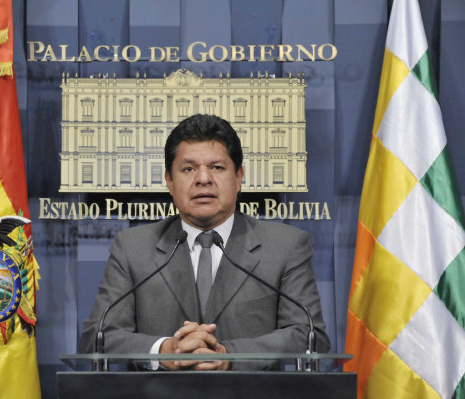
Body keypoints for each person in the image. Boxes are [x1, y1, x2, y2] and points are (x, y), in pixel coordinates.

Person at [80, 114, 330, 370]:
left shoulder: (285, 246)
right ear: (169, 181)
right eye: (188, 169)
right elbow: (98, 337)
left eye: (217, 167)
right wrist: (166, 351)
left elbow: (309, 336)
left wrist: (228, 356)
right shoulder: (133, 248)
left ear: (238, 177)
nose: (203, 179)